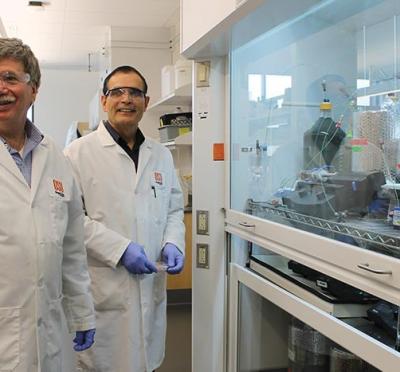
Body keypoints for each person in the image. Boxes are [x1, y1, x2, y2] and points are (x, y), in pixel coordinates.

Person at [64, 65, 185, 371]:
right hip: (105, 289)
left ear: (146, 101)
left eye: (135, 92)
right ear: (104, 101)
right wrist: (120, 249)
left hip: (149, 288)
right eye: (117, 92)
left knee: (147, 360)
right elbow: (71, 219)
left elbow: (172, 208)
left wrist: (173, 242)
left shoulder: (161, 155)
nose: (126, 99)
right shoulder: (77, 154)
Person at [0, 37, 96, 371]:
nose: (2, 88)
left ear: (34, 89)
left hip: (50, 330)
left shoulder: (54, 155)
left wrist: (82, 311)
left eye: (11, 78)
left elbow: (71, 245)